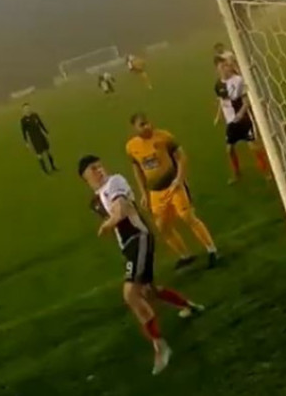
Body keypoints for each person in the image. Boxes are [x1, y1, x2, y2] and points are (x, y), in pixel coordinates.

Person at [79, 155, 204, 375]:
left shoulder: (114, 182)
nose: (98, 171)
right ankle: (189, 306)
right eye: (92, 170)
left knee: (130, 294)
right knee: (148, 290)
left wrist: (107, 224)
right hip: (130, 246)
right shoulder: (97, 199)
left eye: (99, 166)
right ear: (85, 178)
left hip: (140, 239)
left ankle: (160, 346)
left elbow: (121, 211)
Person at [126, 113, 219, 269]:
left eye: (147, 122)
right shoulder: (131, 147)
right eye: (142, 125)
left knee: (187, 216)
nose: (147, 126)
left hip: (173, 186)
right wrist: (144, 193)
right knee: (162, 226)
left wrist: (179, 180)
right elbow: (137, 169)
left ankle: (212, 250)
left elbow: (181, 157)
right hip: (155, 192)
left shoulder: (164, 137)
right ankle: (186, 255)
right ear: (134, 128)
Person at [213, 58, 270, 183]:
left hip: (243, 119)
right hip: (231, 123)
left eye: (225, 66)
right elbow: (222, 101)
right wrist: (219, 116)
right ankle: (236, 174)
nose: (224, 69)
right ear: (217, 69)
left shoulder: (238, 80)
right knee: (230, 149)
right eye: (221, 67)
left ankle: (267, 173)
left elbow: (246, 101)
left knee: (254, 147)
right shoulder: (218, 85)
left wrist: (240, 113)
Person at [20, 102, 57, 174]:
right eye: (25, 109)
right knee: (39, 154)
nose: (27, 110)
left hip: (41, 136)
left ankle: (53, 167)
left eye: (28, 108)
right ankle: (45, 171)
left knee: (47, 151)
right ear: (23, 111)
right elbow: (24, 132)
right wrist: (26, 142)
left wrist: (46, 132)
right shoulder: (23, 120)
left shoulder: (35, 115)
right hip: (34, 139)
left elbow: (41, 124)